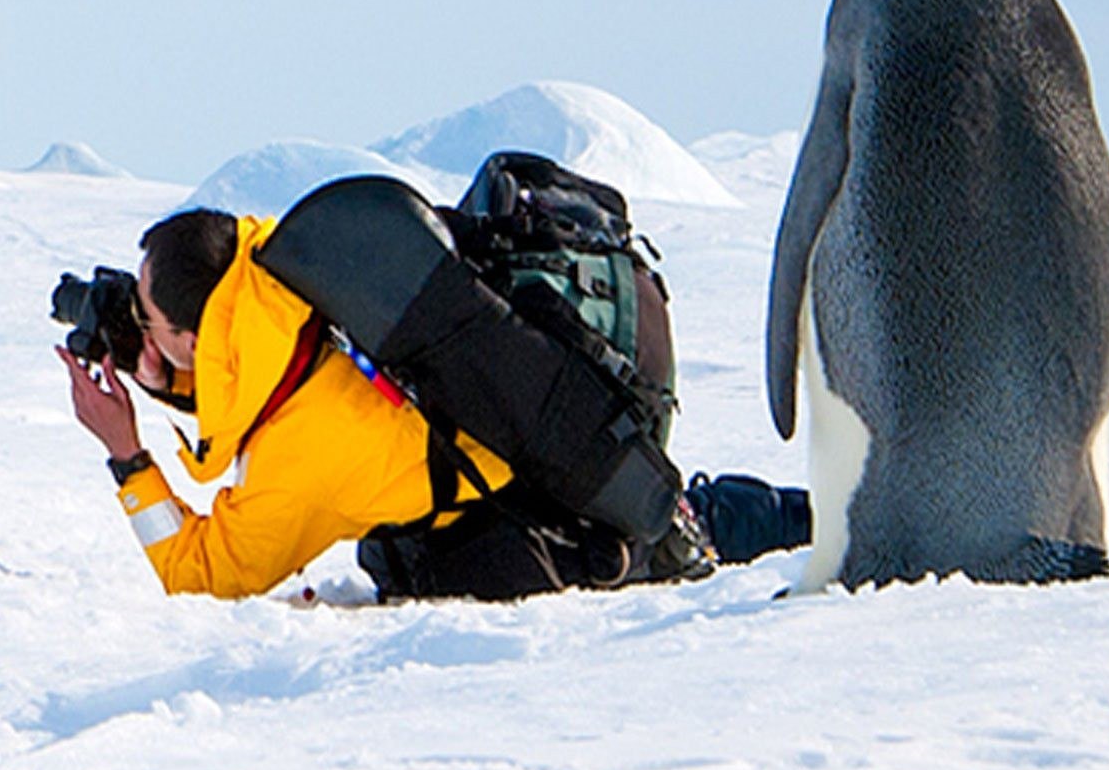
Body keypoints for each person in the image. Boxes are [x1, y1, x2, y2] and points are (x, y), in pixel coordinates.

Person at [57, 207, 811, 602]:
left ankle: (812, 523)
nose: (140, 327)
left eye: (151, 321)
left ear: (195, 333)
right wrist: (160, 367)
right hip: (522, 427)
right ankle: (795, 513)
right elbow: (263, 378)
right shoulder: (291, 276)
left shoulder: (302, 457)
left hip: (536, 500)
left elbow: (207, 575)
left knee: (666, 536)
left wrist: (125, 453)